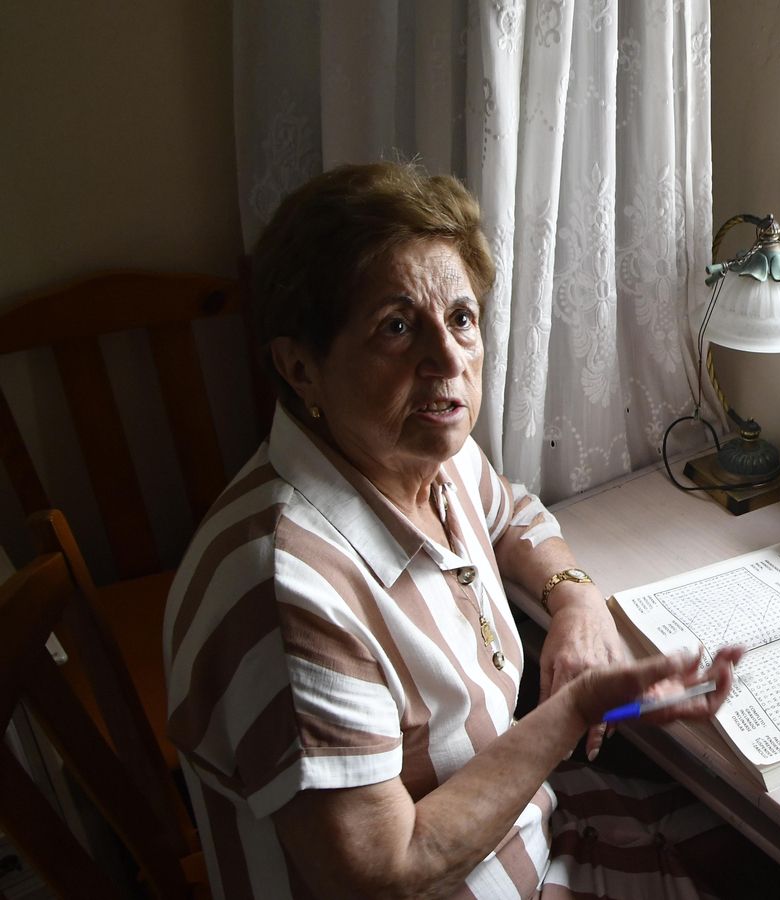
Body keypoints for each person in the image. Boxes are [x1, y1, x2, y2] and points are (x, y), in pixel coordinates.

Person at [163, 162, 744, 899]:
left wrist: (574, 600)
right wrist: (577, 710)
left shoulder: (423, 450)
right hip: (466, 877)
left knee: (766, 856)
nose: (447, 360)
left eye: (461, 319)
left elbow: (515, 514)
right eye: (397, 327)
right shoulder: (285, 593)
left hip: (533, 833)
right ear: (300, 368)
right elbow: (385, 871)